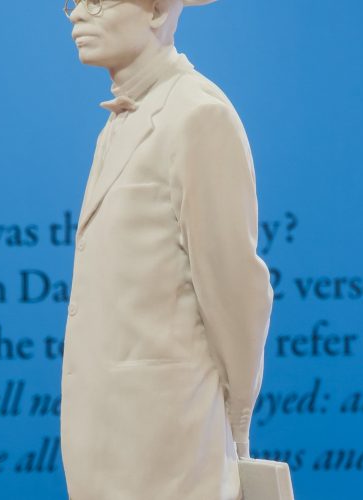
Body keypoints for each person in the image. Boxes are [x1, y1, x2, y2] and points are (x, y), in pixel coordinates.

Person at [59, 1, 273, 498]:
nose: (76, 16)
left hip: (170, 446)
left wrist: (236, 415)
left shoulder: (198, 115)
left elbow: (234, 288)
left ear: (156, 11)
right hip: (110, 441)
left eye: (96, 2)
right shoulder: (118, 123)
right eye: (73, 2)